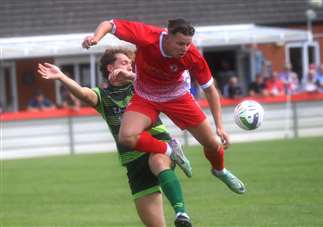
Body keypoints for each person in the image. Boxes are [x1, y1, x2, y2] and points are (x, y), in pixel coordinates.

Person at [82, 18, 246, 194]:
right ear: (167, 37)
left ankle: (220, 170)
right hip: (146, 96)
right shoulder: (148, 36)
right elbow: (110, 24)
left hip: (177, 96)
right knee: (126, 137)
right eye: (180, 43)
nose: (184, 48)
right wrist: (96, 38)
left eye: (188, 44)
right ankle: (170, 150)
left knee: (213, 144)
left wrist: (220, 126)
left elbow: (210, 90)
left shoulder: (193, 55)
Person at [38, 48, 192, 227]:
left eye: (131, 63)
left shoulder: (141, 86)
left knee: (158, 162)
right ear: (111, 67)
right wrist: (61, 77)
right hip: (132, 160)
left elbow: (166, 84)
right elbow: (83, 93)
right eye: (124, 62)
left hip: (156, 143)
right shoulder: (103, 96)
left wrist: (132, 76)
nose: (130, 66)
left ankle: (181, 213)